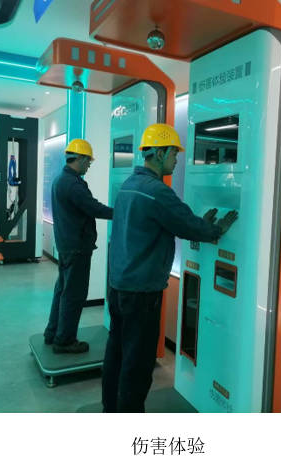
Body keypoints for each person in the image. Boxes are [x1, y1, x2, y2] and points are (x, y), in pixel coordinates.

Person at [102, 123, 238, 412]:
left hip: (119, 285)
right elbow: (185, 224)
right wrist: (214, 229)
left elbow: (174, 221)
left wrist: (198, 222)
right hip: (142, 292)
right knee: (138, 364)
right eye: (174, 153)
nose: (177, 161)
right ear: (160, 152)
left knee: (117, 351)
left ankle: (110, 410)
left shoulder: (129, 185)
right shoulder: (156, 191)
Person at [44, 139, 113, 354]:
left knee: (62, 291)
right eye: (89, 161)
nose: (89, 165)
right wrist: (121, 212)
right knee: (74, 295)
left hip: (66, 244)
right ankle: (65, 341)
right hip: (77, 247)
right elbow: (93, 208)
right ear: (80, 158)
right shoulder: (73, 184)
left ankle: (52, 333)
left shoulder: (60, 179)